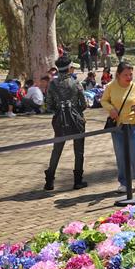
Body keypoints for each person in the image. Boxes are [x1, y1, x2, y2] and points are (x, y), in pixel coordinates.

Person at [101, 61, 135, 192]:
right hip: (118, 127)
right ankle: (124, 183)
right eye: (125, 75)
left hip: (133, 125)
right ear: (118, 75)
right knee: (121, 155)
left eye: (131, 74)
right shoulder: (111, 86)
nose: (129, 77)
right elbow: (103, 100)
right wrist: (110, 109)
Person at [44, 57, 88, 190]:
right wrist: (75, 111)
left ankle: (49, 181)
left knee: (56, 150)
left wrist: (59, 111)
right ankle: (77, 181)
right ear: (69, 68)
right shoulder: (76, 83)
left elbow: (49, 106)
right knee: (78, 151)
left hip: (59, 121)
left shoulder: (52, 84)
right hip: (76, 121)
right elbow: (84, 104)